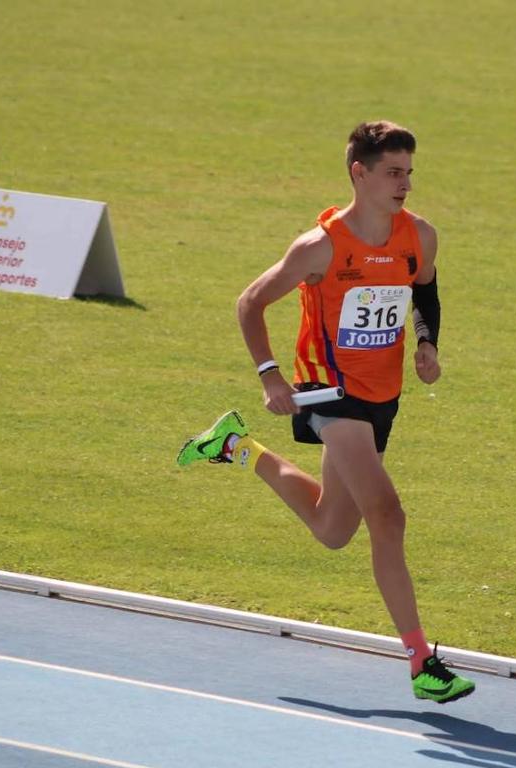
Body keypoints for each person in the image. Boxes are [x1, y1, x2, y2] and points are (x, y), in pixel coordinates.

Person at [179, 120, 474, 704]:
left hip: (382, 395)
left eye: (410, 173)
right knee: (388, 516)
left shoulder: (420, 236)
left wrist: (427, 343)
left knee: (332, 528)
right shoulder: (320, 247)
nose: (405, 184)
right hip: (330, 394)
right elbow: (250, 302)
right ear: (358, 173)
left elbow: (425, 291)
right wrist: (270, 375)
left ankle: (233, 446)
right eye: (393, 173)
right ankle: (422, 663)